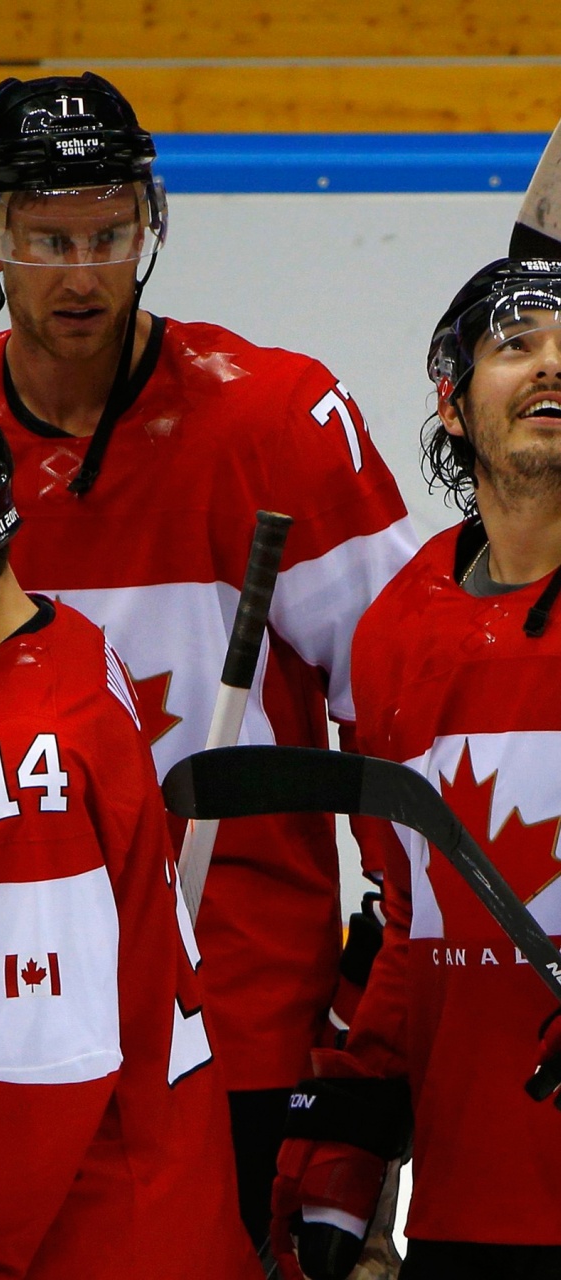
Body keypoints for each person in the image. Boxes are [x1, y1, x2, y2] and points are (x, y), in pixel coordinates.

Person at [0, 72, 417, 1246]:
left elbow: (407, 706)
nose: (82, 273)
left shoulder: (276, 417)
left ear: (151, 225)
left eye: (110, 233)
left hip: (241, 1021)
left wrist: (385, 987)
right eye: (48, 237)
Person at [0, 382, 263, 1280]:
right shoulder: (56, 643)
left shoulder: (5, 765)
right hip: (131, 1200)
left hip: (86, 1240)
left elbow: (33, 1071)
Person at [270, 257, 561, 1280]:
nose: (551, 365)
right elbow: (408, 916)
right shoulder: (399, 626)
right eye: (516, 343)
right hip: (467, 1200)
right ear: (450, 400)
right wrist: (347, 1159)